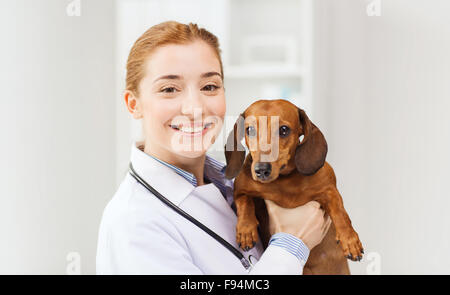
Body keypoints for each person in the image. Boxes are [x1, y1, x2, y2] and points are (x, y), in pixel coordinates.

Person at [96, 21, 331, 275]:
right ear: (134, 105)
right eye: (169, 89)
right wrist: (292, 244)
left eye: (209, 86)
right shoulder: (132, 225)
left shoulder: (234, 184)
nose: (195, 108)